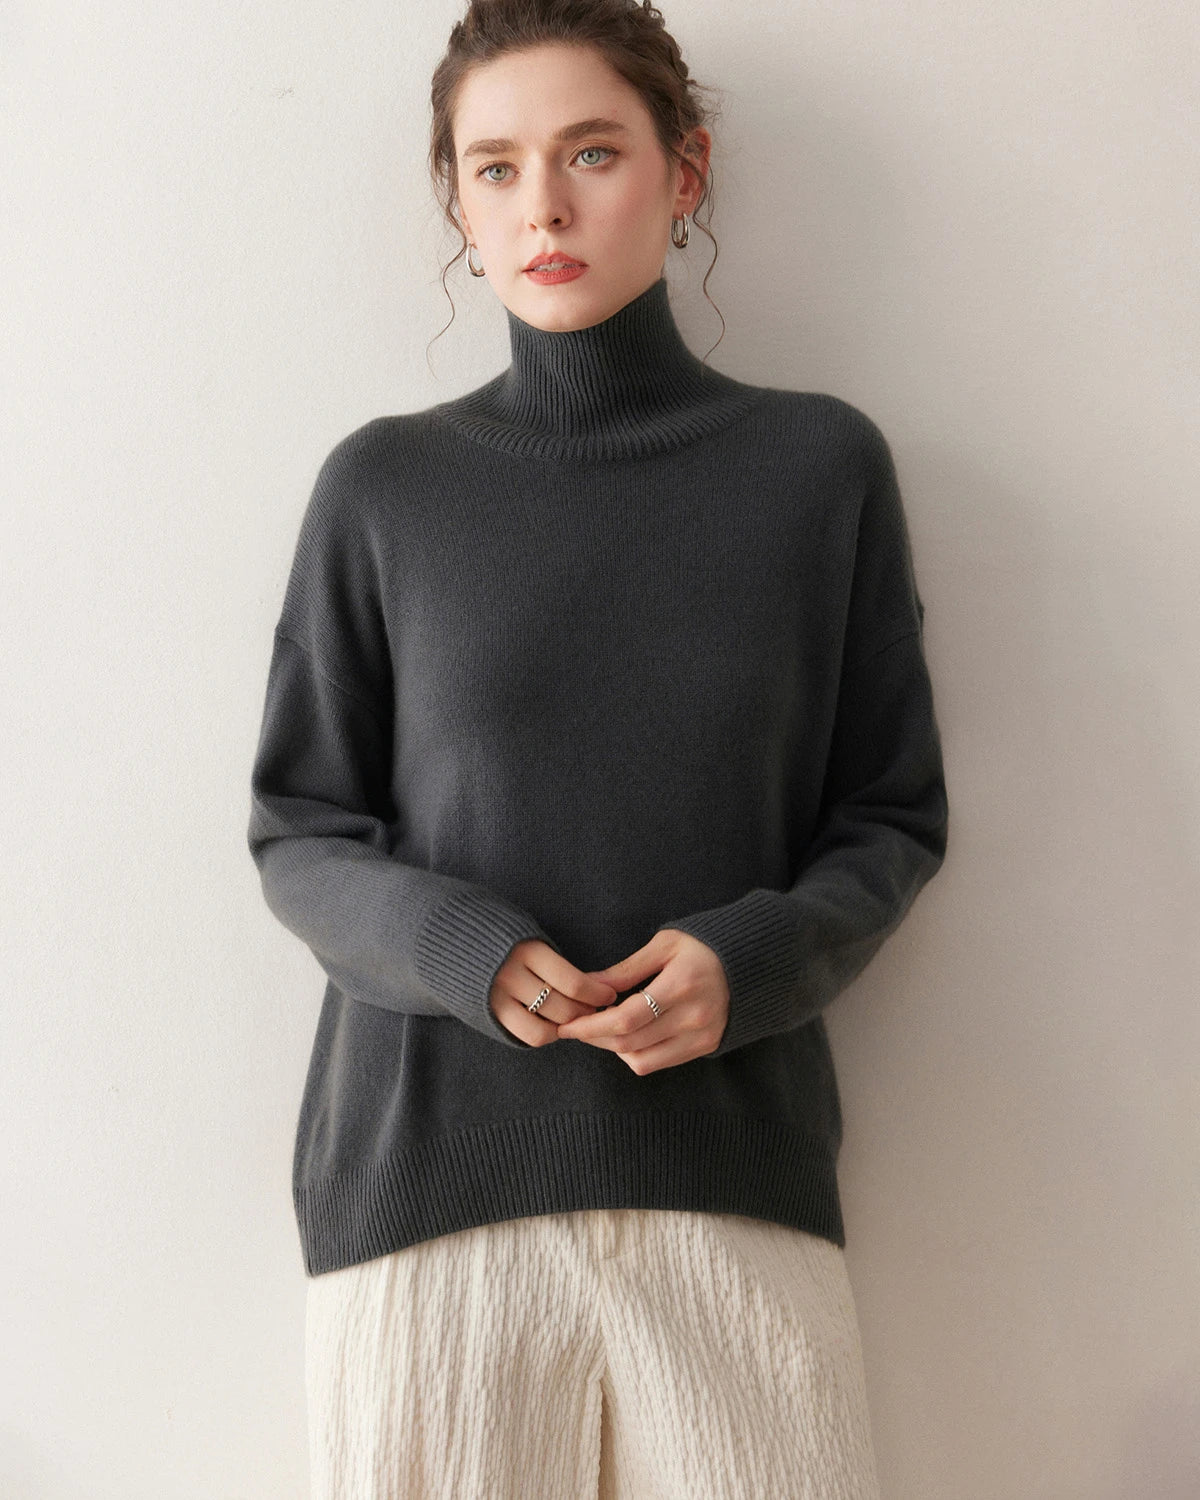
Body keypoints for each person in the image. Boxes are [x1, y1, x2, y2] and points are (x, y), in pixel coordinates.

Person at [246, 1, 948, 1495]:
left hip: (733, 1194)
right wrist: (458, 947)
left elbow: (889, 816)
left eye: (591, 153)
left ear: (684, 171)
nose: (543, 207)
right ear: (458, 203)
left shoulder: (817, 469)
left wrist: (752, 960)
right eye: (494, 168)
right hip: (429, 1207)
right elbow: (298, 830)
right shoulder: (385, 487)